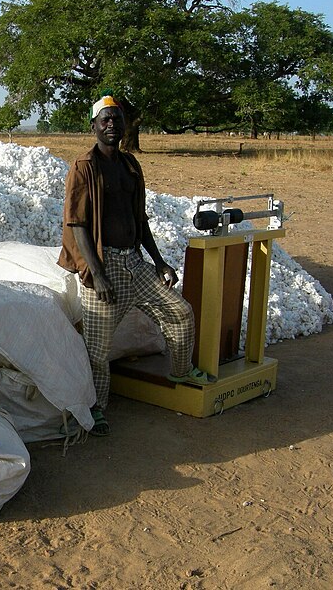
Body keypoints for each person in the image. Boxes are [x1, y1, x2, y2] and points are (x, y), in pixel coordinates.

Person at [58, 95, 215, 436]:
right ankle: (96, 408)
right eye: (105, 119)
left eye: (117, 118)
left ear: (124, 124)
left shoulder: (130, 165)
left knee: (180, 311)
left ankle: (181, 370)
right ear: (94, 126)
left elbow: (139, 218)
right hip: (105, 266)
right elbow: (77, 224)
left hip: (135, 262)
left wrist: (158, 262)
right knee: (97, 350)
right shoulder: (85, 166)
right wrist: (96, 274)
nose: (112, 123)